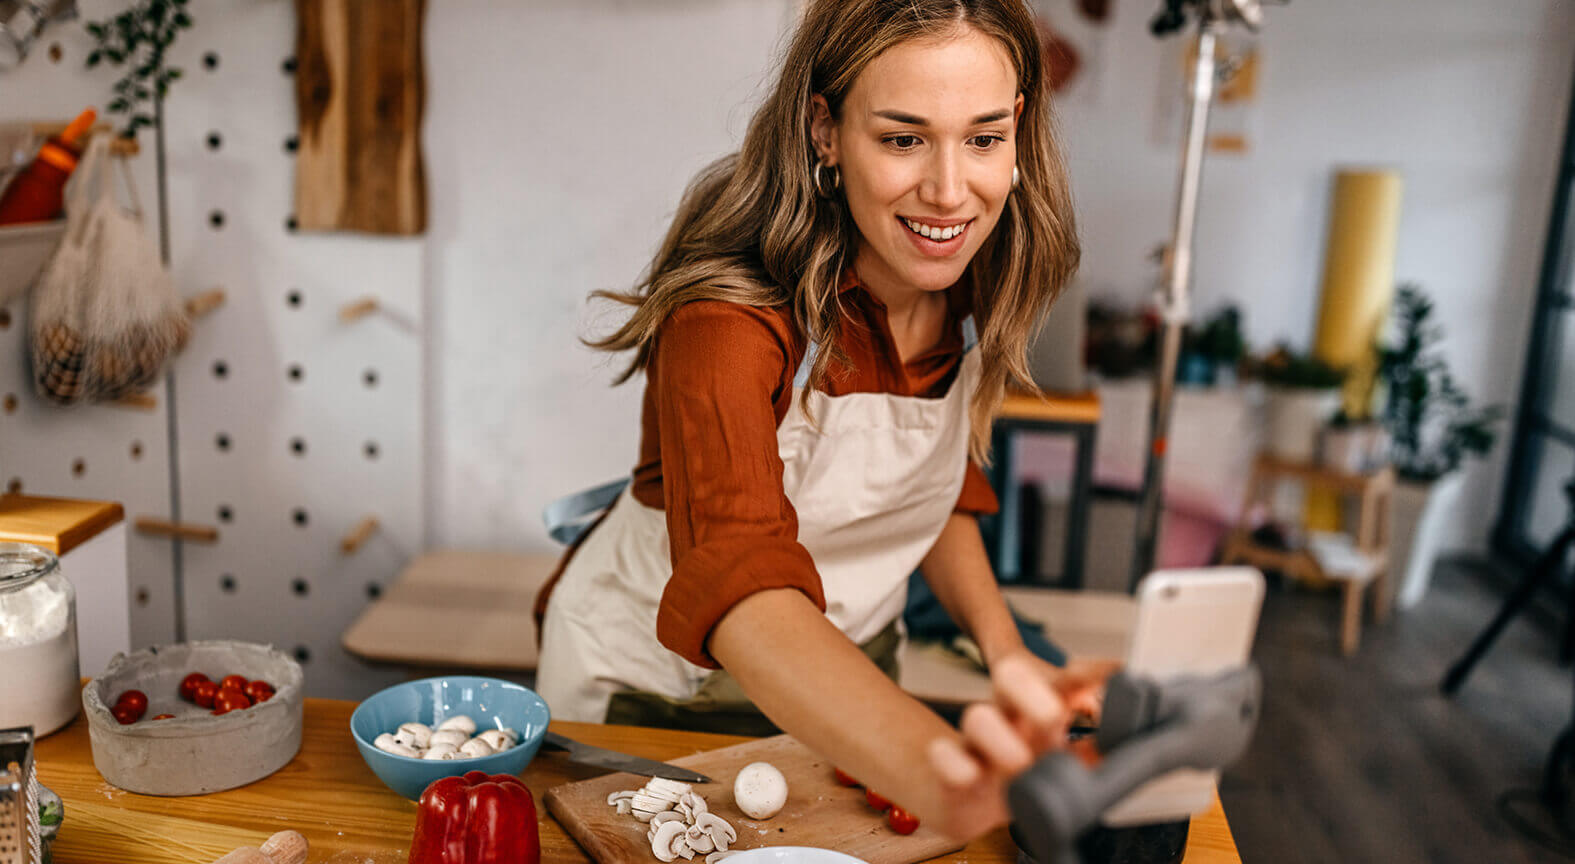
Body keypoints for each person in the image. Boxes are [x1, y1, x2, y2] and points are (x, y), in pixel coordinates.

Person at [536, 0, 1097, 842]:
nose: (950, 191)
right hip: (660, 692)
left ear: (1017, 126)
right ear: (825, 130)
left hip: (858, 671)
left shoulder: (976, 290)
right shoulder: (727, 317)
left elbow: (924, 495)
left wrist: (1006, 652)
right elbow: (742, 584)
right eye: (903, 138)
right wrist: (940, 771)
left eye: (981, 138)